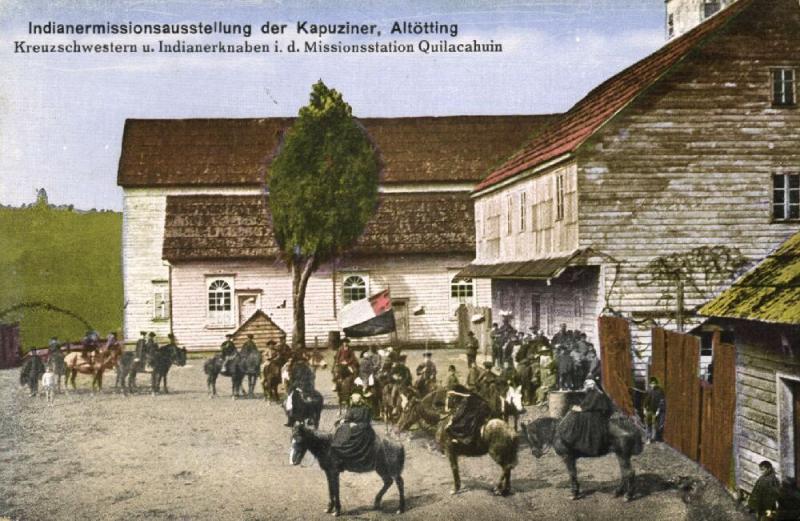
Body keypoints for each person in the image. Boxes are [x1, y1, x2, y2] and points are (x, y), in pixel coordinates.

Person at [557, 379, 613, 457]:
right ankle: (570, 435)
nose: (585, 388)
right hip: (591, 411)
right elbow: (586, 403)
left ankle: (578, 439)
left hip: (596, 414)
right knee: (574, 413)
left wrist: (581, 409)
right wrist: (579, 407)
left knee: (580, 417)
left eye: (586, 386)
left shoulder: (597, 394)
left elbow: (591, 406)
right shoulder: (591, 393)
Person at [331, 393, 376, 464]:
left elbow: (347, 418)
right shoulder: (368, 408)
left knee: (341, 431)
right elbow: (369, 418)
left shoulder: (352, 409)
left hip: (356, 428)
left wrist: (342, 420)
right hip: (366, 427)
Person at [643, 376, 666, 443]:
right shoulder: (650, 391)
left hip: (658, 411)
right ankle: (648, 438)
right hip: (650, 410)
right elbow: (646, 400)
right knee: (648, 424)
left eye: (653, 383)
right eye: (651, 384)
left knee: (656, 425)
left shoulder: (660, 391)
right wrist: (644, 408)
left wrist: (658, 410)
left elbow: (662, 401)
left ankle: (656, 438)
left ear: (656, 383)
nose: (652, 385)